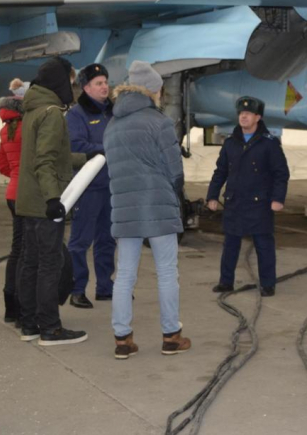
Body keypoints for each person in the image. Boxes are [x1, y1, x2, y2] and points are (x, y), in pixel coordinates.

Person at [104, 61, 189, 359]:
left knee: (125, 274)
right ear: (153, 90)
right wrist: (175, 190)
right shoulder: (159, 121)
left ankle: (122, 339)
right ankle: (171, 336)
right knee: (166, 272)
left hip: (124, 207)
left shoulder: (112, 125)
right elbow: (174, 169)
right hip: (157, 205)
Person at [17, 57, 89, 345]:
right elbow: (45, 161)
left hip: (28, 201)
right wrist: (52, 199)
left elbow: (49, 155)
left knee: (30, 263)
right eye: (70, 81)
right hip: (43, 203)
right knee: (49, 265)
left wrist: (88, 159)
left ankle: (30, 323)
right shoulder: (52, 113)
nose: (71, 88)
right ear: (60, 81)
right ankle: (51, 328)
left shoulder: (33, 110)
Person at [207, 96, 290, 297]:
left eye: (248, 114)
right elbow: (220, 171)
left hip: (259, 203)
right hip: (235, 201)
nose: (243, 117)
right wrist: (212, 196)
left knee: (263, 245)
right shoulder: (230, 143)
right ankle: (226, 282)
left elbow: (281, 173)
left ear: (258, 117)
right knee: (230, 245)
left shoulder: (269, 144)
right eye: (241, 113)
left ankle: (268, 284)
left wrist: (278, 199)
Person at [66, 64, 115, 308]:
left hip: (111, 187)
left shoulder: (113, 112)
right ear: (86, 88)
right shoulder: (76, 115)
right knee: (80, 241)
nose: (104, 86)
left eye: (105, 81)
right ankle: (76, 289)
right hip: (88, 188)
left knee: (107, 239)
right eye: (98, 83)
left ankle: (105, 286)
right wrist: (106, 150)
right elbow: (75, 146)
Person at [0, 79, 27, 325]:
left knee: (16, 250)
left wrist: (15, 174)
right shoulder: (28, 127)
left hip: (11, 194)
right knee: (29, 251)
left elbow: (3, 167)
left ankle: (10, 305)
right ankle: (23, 306)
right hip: (26, 195)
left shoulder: (4, 129)